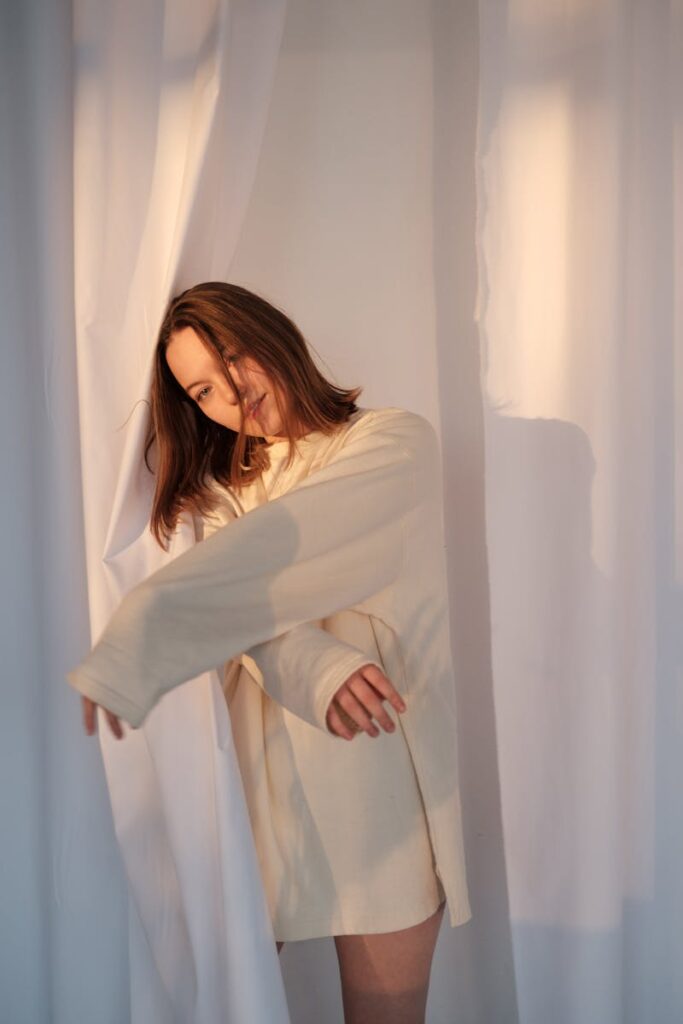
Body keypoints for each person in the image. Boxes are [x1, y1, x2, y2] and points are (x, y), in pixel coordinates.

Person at [69, 281, 471, 1024]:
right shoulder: (218, 498)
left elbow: (282, 554)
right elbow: (247, 612)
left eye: (231, 357)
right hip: (251, 791)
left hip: (373, 768)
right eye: (201, 389)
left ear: (272, 333)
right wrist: (316, 661)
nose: (229, 394)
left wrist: (151, 625)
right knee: (218, 1007)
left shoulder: (388, 440)